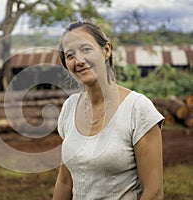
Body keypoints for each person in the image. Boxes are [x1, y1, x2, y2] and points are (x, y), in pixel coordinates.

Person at [53, 20, 164, 200]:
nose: (78, 60)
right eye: (70, 55)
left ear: (106, 50)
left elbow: (154, 193)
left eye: (86, 49)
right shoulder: (69, 108)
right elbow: (66, 180)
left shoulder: (137, 109)